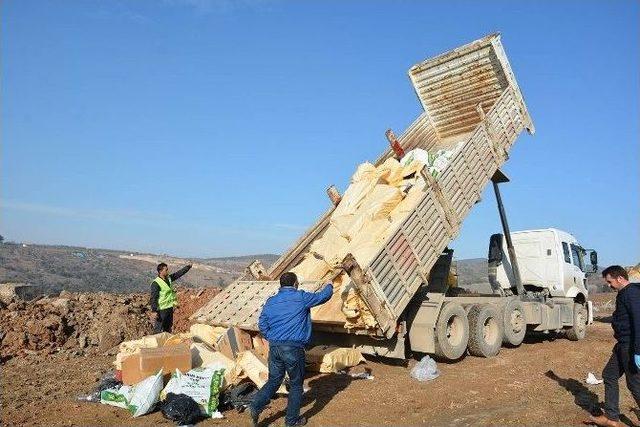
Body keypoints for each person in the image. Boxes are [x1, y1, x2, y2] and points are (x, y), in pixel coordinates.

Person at [249, 272, 333, 427]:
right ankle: (291, 421)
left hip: (274, 348)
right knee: (296, 384)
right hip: (293, 348)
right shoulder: (300, 297)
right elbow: (323, 297)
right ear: (295, 284)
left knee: (274, 380)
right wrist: (330, 284)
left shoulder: (271, 301)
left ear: (280, 285)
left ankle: (255, 406)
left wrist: (272, 337)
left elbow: (262, 324)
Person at [590, 265, 640, 427]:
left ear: (620, 278)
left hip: (630, 346)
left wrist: (638, 351)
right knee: (609, 375)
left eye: (610, 282)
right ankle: (612, 418)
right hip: (622, 345)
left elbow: (638, 322)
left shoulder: (631, 294)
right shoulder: (624, 293)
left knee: (634, 384)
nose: (609, 285)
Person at [149, 262, 192, 333]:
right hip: (161, 310)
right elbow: (154, 297)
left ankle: (166, 342)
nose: (168, 271)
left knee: (168, 327)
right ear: (160, 271)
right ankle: (155, 343)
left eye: (167, 269)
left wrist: (188, 267)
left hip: (169, 308)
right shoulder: (156, 283)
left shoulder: (169, 278)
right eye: (166, 270)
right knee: (158, 328)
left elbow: (178, 274)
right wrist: (154, 310)